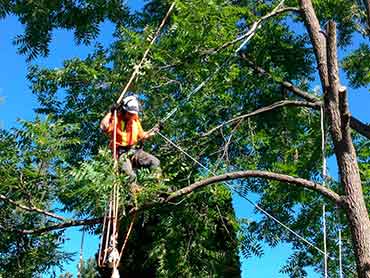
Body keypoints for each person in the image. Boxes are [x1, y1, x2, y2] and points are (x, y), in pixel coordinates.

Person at [100, 95, 161, 191]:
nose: (131, 115)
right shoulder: (115, 117)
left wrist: (156, 130)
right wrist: (110, 112)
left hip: (134, 150)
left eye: (133, 114)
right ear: (124, 110)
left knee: (155, 162)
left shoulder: (134, 119)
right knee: (131, 175)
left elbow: (143, 135)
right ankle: (133, 200)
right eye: (129, 113)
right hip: (121, 153)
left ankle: (159, 188)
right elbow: (103, 126)